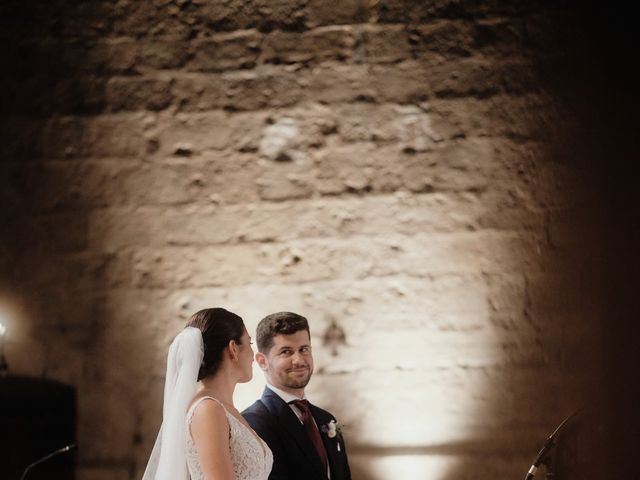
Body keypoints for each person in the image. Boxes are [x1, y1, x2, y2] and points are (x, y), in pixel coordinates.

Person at [142, 307, 273, 480]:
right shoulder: (208, 410)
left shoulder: (224, 408)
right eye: (249, 343)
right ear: (233, 348)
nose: (252, 355)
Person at [242, 312, 351, 480]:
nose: (299, 360)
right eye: (286, 351)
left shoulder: (326, 419)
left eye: (304, 349)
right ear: (262, 361)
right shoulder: (253, 423)